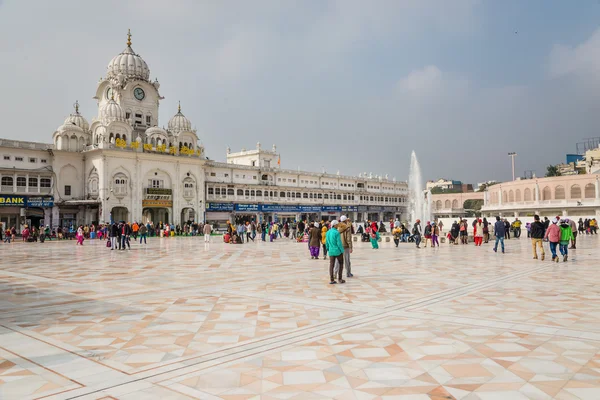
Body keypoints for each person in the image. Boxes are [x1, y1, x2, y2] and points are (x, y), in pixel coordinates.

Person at [326, 220, 345, 284]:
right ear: (334, 225)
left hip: (331, 251)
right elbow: (339, 243)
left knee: (331, 265)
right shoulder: (336, 233)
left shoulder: (328, 232)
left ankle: (331, 279)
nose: (338, 226)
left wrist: (328, 249)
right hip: (337, 251)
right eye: (337, 225)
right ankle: (340, 279)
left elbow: (327, 242)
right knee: (341, 264)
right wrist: (342, 250)